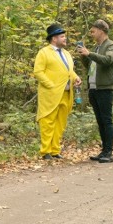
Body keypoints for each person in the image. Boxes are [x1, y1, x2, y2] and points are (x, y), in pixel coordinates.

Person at [33, 23, 81, 160]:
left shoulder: (66, 54)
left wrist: (76, 78)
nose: (65, 39)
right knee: (47, 122)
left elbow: (69, 71)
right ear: (54, 39)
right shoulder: (44, 53)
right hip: (50, 95)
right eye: (62, 36)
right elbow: (38, 72)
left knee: (60, 123)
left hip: (66, 93)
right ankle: (45, 151)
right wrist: (51, 85)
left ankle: (55, 150)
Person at [77, 19, 113, 163]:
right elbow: (90, 65)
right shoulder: (96, 47)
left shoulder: (111, 46)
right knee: (100, 121)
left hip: (105, 89)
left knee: (106, 120)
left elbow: (107, 60)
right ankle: (103, 151)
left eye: (93, 31)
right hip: (93, 88)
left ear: (101, 31)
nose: (91, 34)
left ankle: (109, 152)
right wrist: (84, 55)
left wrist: (89, 53)